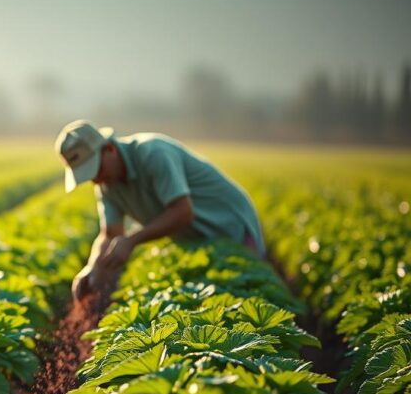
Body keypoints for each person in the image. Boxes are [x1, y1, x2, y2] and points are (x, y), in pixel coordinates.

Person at [56, 119, 265, 300]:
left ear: (109, 149)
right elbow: (110, 233)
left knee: (246, 294)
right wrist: (92, 268)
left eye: (97, 169)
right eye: (89, 176)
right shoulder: (106, 185)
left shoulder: (153, 153)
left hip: (230, 224)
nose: (96, 180)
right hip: (195, 238)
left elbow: (183, 212)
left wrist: (132, 240)